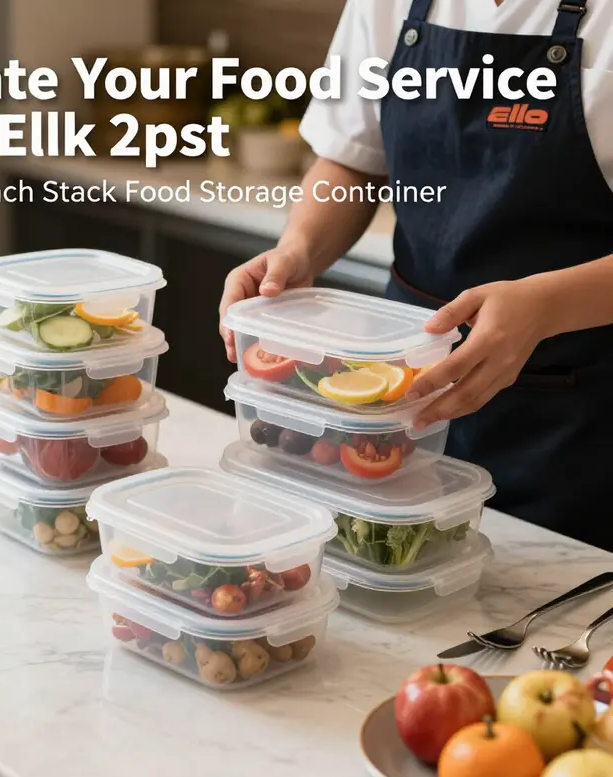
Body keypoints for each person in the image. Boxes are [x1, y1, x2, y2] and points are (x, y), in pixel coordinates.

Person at [218, 0, 613, 547]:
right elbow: (352, 158)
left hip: (580, 424)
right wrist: (300, 250)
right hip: (400, 399)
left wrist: (546, 305)